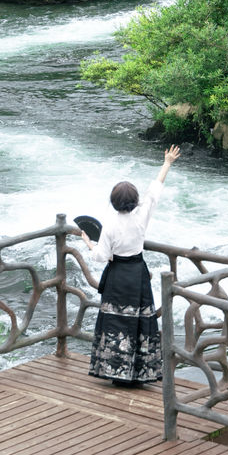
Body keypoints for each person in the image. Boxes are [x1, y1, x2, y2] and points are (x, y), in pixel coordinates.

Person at [80, 145, 180, 385]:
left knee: (116, 322)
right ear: (135, 201)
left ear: (113, 203)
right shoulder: (141, 214)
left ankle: (116, 374)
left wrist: (88, 244)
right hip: (138, 273)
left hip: (117, 276)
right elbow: (155, 190)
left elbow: (101, 257)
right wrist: (167, 162)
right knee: (141, 322)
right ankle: (139, 374)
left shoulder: (110, 225)